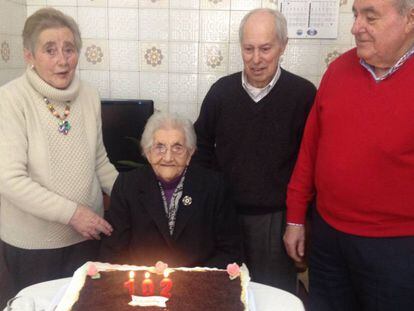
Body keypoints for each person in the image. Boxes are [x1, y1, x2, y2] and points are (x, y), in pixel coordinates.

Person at [283, 0, 414, 310]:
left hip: (397, 246)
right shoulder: (338, 71)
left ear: (410, 19)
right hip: (329, 237)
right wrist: (296, 218)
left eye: (370, 17)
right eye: (356, 15)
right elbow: (310, 150)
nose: (356, 27)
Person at [193, 8, 316, 292]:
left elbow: (310, 162)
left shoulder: (303, 94)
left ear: (283, 46)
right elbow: (200, 147)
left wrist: (301, 221)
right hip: (226, 216)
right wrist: (213, 195)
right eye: (248, 49)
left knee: (272, 293)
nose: (256, 59)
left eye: (265, 48)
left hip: (277, 219)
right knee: (224, 292)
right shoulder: (221, 93)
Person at [0, 7, 118, 294]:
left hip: (86, 240)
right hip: (34, 249)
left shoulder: (89, 95)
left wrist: (135, 199)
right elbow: (9, 180)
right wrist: (73, 214)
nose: (62, 61)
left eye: (69, 49)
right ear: (29, 56)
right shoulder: (11, 99)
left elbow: (99, 161)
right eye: (50, 50)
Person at [100, 112, 242, 268]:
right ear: (148, 153)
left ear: (190, 153)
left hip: (197, 285)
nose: (168, 157)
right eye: (159, 147)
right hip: (143, 285)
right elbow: (113, 252)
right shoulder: (127, 185)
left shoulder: (214, 186)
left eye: (177, 148)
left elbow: (230, 250)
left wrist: (193, 280)